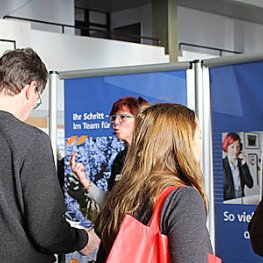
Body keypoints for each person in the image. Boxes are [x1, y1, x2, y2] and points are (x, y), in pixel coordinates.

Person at [0, 48, 100, 263]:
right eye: (37, 98)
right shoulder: (30, 140)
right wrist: (83, 240)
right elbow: (48, 231)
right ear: (30, 88)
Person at [95, 103, 214, 262]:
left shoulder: (123, 194)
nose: (200, 145)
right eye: (198, 136)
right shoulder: (182, 198)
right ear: (182, 143)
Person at [69, 96, 149, 208]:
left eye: (123, 117)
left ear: (140, 121)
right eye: (114, 117)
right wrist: (84, 179)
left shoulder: (151, 159)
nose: (116, 122)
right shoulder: (120, 158)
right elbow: (111, 204)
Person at [222, 132, 253, 201]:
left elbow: (250, 184)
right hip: (228, 203)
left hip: (241, 201)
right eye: (232, 147)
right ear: (226, 147)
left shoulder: (241, 163)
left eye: (238, 147)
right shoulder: (222, 164)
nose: (235, 150)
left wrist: (244, 164)